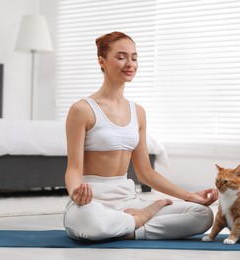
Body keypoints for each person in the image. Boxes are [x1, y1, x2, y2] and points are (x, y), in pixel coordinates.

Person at [63, 31, 218, 241]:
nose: (130, 64)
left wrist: (190, 196)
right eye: (121, 57)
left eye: (134, 57)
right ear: (102, 61)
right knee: (88, 221)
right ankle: (141, 219)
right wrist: (75, 193)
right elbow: (74, 167)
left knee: (202, 215)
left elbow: (145, 172)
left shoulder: (138, 112)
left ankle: (130, 228)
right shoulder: (82, 109)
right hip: (92, 203)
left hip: (128, 203)